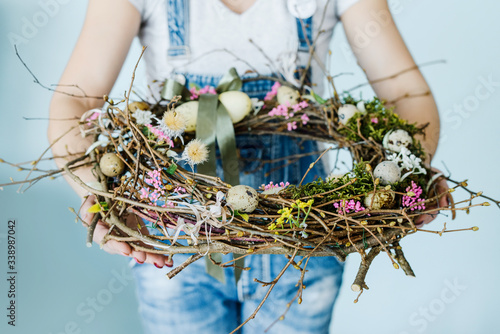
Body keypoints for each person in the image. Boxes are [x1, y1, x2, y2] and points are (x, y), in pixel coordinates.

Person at [48, 0, 449, 332]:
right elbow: (76, 102)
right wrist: (97, 192)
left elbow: (405, 93)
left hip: (309, 237)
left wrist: (410, 172)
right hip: (175, 242)